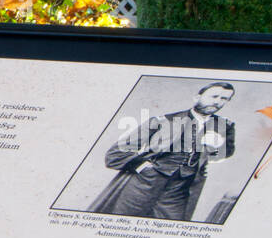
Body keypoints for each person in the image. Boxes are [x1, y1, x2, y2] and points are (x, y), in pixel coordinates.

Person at [89, 82, 236, 221]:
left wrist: (215, 147)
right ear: (197, 97)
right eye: (214, 96)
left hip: (181, 190)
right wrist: (141, 166)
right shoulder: (164, 121)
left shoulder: (224, 126)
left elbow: (226, 152)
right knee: (123, 220)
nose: (217, 102)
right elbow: (115, 155)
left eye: (224, 99)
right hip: (145, 183)